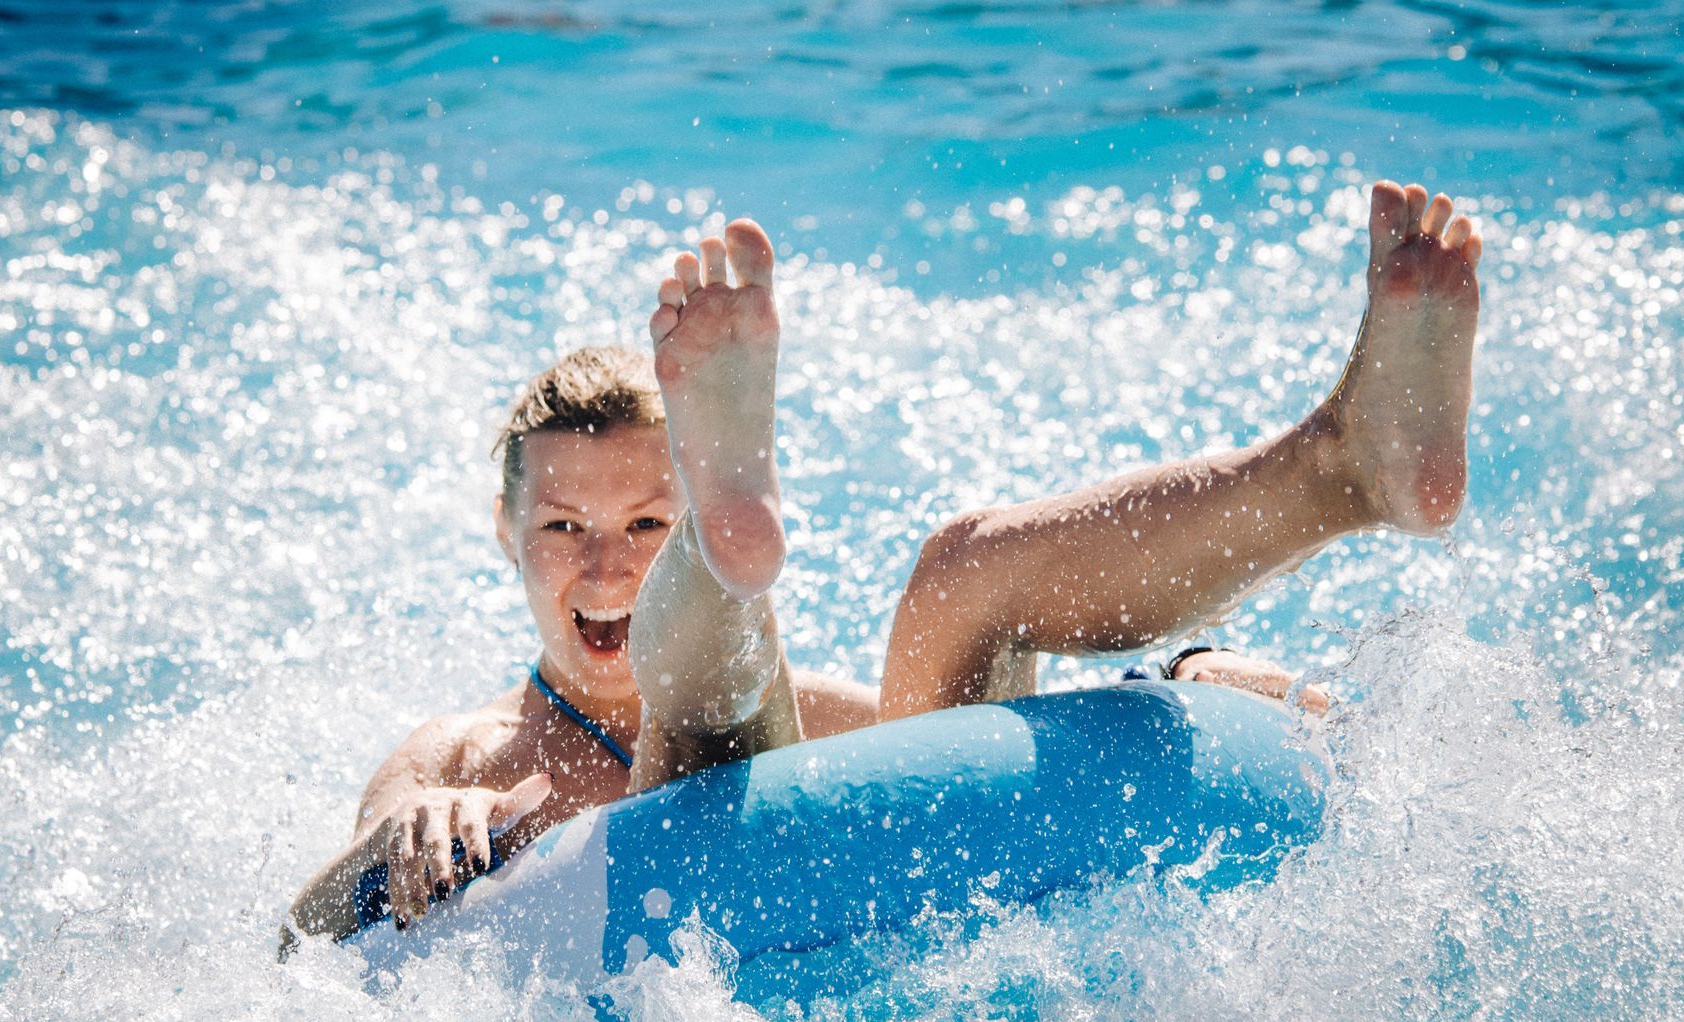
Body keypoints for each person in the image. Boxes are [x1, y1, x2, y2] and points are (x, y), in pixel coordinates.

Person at [282, 178, 1478, 948]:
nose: (604, 565)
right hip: (660, 962)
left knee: (955, 576)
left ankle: (1341, 466)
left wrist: (1197, 679)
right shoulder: (461, 755)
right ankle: (723, 542)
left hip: (859, 947)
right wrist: (397, 838)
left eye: (647, 526)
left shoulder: (819, 709)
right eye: (563, 529)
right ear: (506, 535)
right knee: (711, 712)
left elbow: (994, 732)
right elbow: (304, 932)